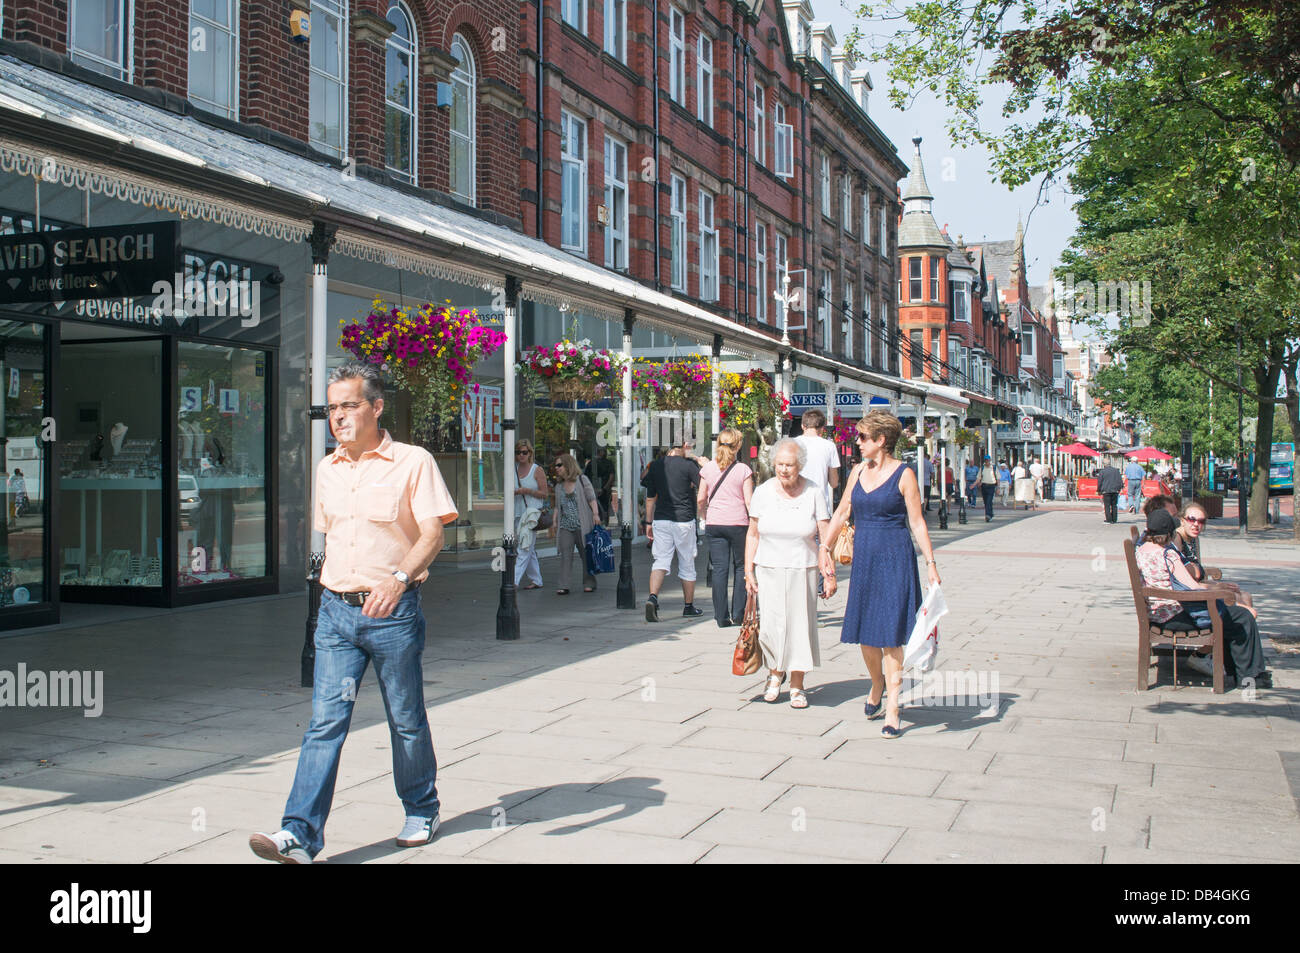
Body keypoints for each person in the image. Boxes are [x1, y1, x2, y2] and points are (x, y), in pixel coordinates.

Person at [249, 362, 458, 864]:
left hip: (392, 613)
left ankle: (421, 808)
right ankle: (299, 835)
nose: (337, 416)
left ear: (376, 407)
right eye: (332, 407)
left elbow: (433, 533)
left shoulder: (413, 461)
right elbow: (333, 537)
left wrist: (399, 579)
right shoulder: (327, 468)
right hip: (336, 615)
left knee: (405, 719)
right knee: (325, 723)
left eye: (348, 405)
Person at [823, 411, 941, 738]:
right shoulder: (858, 471)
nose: (857, 442)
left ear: (881, 441)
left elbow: (917, 522)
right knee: (866, 634)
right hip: (865, 559)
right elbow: (843, 510)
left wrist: (931, 563)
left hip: (895, 556)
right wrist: (824, 548)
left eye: (862, 438)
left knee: (890, 634)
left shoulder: (904, 475)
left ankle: (893, 705)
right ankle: (877, 683)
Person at [744, 438, 836, 709]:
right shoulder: (762, 491)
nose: (784, 470)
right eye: (780, 464)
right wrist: (748, 570)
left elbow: (824, 534)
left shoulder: (813, 491)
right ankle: (774, 675)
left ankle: (797, 684)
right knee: (771, 627)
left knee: (800, 626)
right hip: (769, 567)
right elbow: (752, 534)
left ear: (800, 466)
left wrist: (828, 573)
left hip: (803, 567)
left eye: (790, 465)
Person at [1134, 508, 1270, 689]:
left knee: (1233, 616)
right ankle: (1250, 677)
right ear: (1169, 533)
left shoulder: (1141, 551)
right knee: (1242, 617)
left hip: (1157, 613)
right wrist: (1220, 591)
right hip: (1176, 616)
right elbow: (1193, 587)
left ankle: (1239, 672)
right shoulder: (1168, 554)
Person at [643, 435, 703, 621]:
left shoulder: (656, 465)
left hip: (661, 519)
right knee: (687, 561)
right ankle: (688, 606)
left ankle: (653, 597)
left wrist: (648, 522)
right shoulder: (689, 466)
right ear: (684, 445)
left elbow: (650, 498)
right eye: (691, 447)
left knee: (660, 560)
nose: (692, 450)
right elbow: (704, 487)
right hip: (684, 520)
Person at [698, 427, 754, 628]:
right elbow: (749, 501)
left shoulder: (708, 469)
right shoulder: (744, 470)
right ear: (738, 446)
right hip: (738, 523)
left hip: (715, 523)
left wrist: (704, 515)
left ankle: (721, 617)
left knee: (720, 569)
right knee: (740, 567)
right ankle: (738, 613)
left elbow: (701, 498)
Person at [1174, 500, 1254, 613]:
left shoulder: (1192, 538)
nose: (1196, 524)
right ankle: (1237, 628)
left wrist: (1220, 585)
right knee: (1242, 605)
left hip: (1198, 588)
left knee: (1245, 596)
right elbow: (1185, 580)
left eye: (1201, 521)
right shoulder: (1177, 539)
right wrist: (1217, 587)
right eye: (1191, 520)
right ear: (1182, 521)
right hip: (1189, 596)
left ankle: (1238, 628)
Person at [550, 453, 601, 595]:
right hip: (566, 526)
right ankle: (564, 585)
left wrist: (595, 514)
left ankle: (589, 582)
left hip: (582, 524)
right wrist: (554, 521)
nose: (557, 468)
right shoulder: (559, 486)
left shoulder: (582, 480)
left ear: (568, 465)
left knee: (586, 555)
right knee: (566, 555)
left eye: (559, 465)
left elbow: (592, 498)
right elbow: (557, 506)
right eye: (556, 466)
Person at [512, 439, 548, 590]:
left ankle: (513, 581)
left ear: (530, 453)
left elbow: (545, 493)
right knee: (529, 548)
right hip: (517, 512)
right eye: (518, 452)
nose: (521, 455)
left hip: (532, 513)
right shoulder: (512, 469)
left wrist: (527, 491)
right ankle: (536, 580)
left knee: (524, 547)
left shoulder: (536, 470)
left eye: (524, 452)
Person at [794, 409, 840, 512]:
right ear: (822, 428)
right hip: (820, 506)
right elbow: (834, 483)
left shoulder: (792, 444)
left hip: (795, 503)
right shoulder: (829, 446)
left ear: (802, 426)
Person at [594, 447, 615, 525]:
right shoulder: (593, 463)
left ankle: (604, 524)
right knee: (601, 507)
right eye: (602, 451)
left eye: (604, 450)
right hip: (599, 488)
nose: (604, 452)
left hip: (604, 489)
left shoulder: (608, 463)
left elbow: (611, 476)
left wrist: (605, 487)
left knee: (605, 507)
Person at [978, 454, 998, 521]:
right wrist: (975, 484)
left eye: (988, 461)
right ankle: (990, 513)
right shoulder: (982, 468)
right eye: (986, 461)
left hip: (991, 486)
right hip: (984, 486)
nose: (987, 462)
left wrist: (998, 487)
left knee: (989, 500)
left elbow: (998, 478)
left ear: (990, 461)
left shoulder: (994, 468)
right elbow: (979, 477)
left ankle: (988, 515)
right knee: (986, 501)